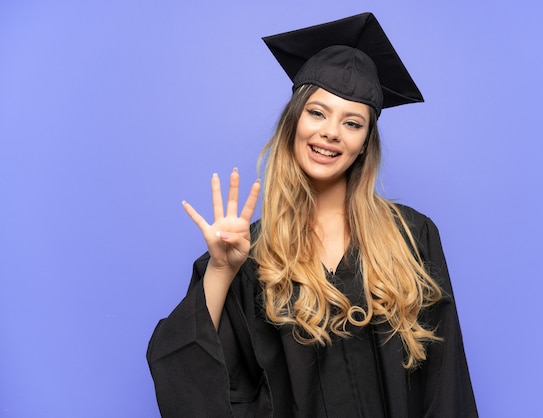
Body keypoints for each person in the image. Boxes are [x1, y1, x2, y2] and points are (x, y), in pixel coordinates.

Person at [147, 12, 478, 418]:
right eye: (317, 113)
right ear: (294, 122)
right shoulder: (251, 255)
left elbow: (446, 387)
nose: (331, 132)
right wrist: (220, 269)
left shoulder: (412, 236)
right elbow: (187, 378)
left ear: (364, 144)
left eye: (352, 122)